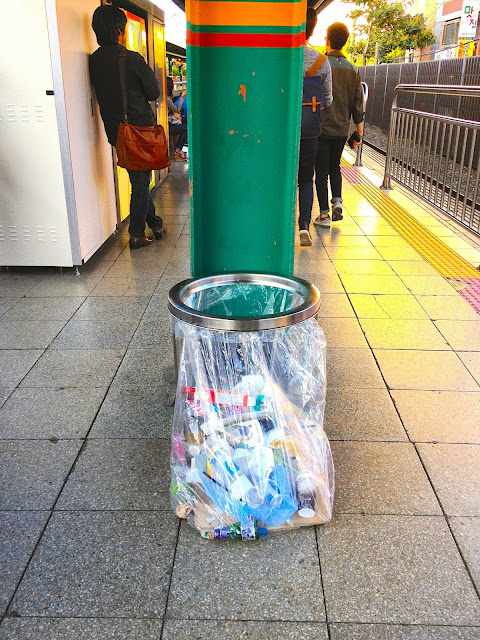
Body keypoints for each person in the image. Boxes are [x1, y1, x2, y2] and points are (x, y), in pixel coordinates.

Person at [89, 4, 166, 249]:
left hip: (116, 131)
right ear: (120, 30)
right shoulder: (130, 58)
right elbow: (153, 92)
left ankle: (156, 224)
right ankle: (136, 234)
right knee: (141, 183)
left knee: (139, 178)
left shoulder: (94, 60)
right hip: (138, 130)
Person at [313, 22, 364, 228]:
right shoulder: (353, 69)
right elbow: (357, 103)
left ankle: (324, 214)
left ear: (327, 39)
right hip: (342, 129)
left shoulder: (320, 65)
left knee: (320, 171)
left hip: (321, 127)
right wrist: (358, 133)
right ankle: (338, 201)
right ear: (345, 42)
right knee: (335, 166)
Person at [297, 7, 333, 247]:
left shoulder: (279, 56)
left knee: (280, 177)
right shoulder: (321, 61)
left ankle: (278, 223)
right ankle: (303, 226)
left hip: (280, 130)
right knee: (306, 178)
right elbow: (327, 100)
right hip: (309, 130)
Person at [167, 77, 188, 161]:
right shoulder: (168, 99)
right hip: (168, 125)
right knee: (187, 128)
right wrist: (182, 98)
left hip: (168, 123)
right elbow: (177, 110)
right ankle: (178, 150)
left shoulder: (165, 98)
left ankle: (177, 149)